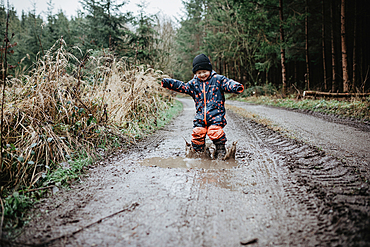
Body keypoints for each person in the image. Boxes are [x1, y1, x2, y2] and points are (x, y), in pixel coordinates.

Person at [161, 54, 244, 159]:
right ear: (195, 73)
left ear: (209, 70)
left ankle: (220, 150)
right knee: (197, 133)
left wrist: (235, 87)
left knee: (214, 131)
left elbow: (228, 83)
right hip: (200, 116)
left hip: (216, 115)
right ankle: (199, 153)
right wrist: (168, 83)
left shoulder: (218, 80)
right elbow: (182, 86)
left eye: (204, 72)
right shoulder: (194, 84)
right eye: (199, 73)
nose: (202, 75)